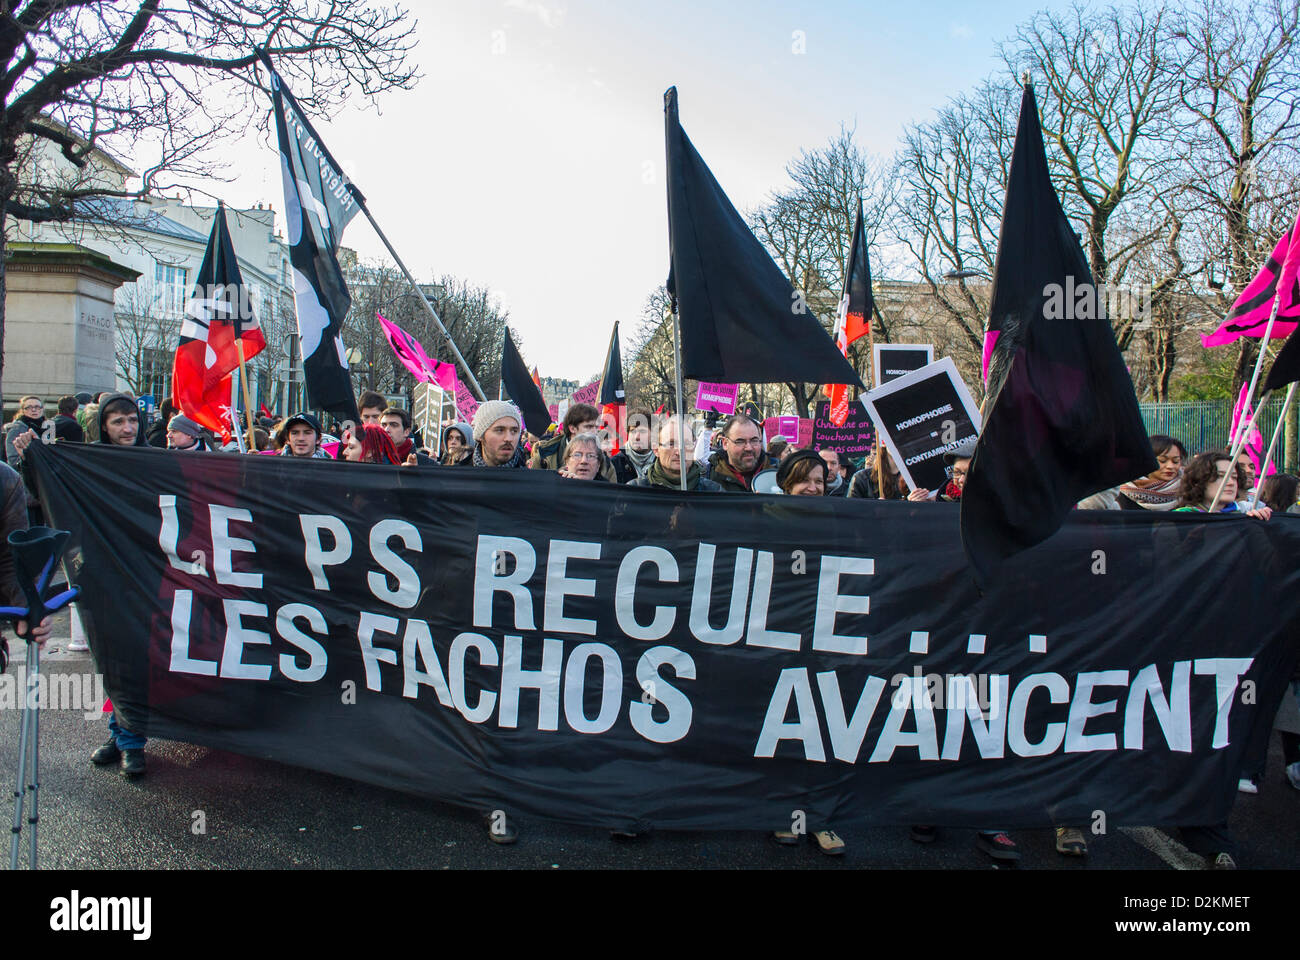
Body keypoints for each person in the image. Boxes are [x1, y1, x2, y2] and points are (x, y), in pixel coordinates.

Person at [1079, 435, 1187, 511]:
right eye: (1163, 461)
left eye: (1176, 461)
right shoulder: (1120, 492)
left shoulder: (1187, 491)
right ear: (1147, 460)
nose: (1170, 466)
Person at [630, 416, 723, 492]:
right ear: (656, 449)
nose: (679, 452)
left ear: (694, 447)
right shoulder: (636, 491)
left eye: (686, 444)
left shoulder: (713, 492)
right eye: (671, 444)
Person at [530, 403, 616, 481]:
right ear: (572, 428)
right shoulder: (544, 455)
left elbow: (612, 494)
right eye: (588, 427)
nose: (595, 432)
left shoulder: (605, 462)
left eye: (596, 427)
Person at [1174, 452, 1272, 519]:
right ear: (1199, 480)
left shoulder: (1243, 515)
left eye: (1234, 477)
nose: (1230, 483)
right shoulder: (1181, 518)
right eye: (1220, 476)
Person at [702, 415, 765, 492]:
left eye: (754, 440)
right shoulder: (708, 478)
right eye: (740, 441)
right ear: (725, 444)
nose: (749, 448)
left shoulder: (777, 474)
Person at [472, 401, 528, 468]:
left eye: (514, 431)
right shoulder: (459, 476)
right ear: (480, 435)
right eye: (499, 430)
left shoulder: (530, 477)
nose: (508, 438)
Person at [608, 410, 655, 484]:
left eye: (642, 431)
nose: (637, 437)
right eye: (633, 431)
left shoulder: (662, 462)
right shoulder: (614, 464)